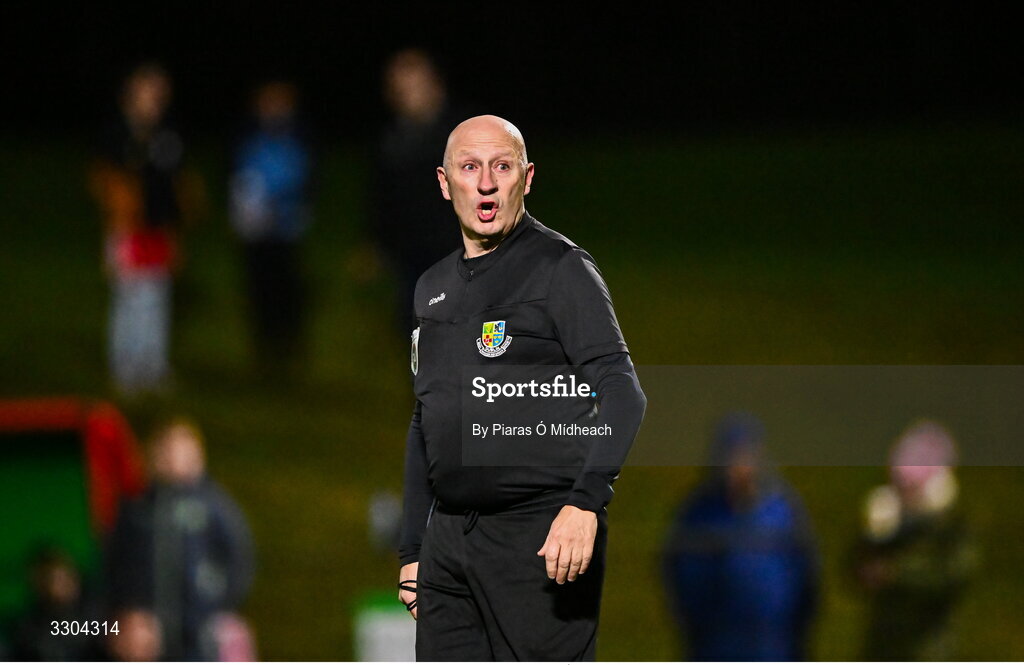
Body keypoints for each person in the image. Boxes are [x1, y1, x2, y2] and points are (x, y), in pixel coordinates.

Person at [397, 115, 647, 660]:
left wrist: (585, 504)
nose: (486, 182)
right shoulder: (431, 289)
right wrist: (413, 548)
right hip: (448, 546)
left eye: (501, 167)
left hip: (540, 538)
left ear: (526, 178)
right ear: (445, 182)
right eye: (469, 167)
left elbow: (622, 391)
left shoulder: (561, 269)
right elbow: (426, 421)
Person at [661, 413, 818, 661]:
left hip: (776, 645)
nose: (739, 467)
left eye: (746, 456)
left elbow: (807, 576)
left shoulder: (783, 509)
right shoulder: (699, 513)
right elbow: (681, 579)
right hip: (716, 645)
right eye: (731, 457)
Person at [90, 63, 201, 396]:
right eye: (147, 91)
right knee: (130, 297)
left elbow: (177, 180)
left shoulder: (168, 133)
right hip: (128, 228)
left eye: (159, 93)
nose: (154, 99)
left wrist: (182, 217)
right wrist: (116, 219)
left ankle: (152, 366)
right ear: (131, 94)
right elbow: (101, 179)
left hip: (160, 228)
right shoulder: (116, 133)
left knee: (158, 298)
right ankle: (125, 366)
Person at [106, 417, 255, 661]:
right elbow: (115, 564)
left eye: (181, 449)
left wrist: (213, 608)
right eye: (165, 449)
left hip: (198, 637)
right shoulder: (136, 509)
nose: (172, 457)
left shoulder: (214, 506)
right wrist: (127, 614)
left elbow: (240, 559)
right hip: (145, 639)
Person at [850, 419, 977, 660]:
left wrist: (896, 573)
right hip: (880, 647)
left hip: (926, 650)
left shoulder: (950, 525)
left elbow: (953, 575)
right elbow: (854, 571)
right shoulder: (888, 514)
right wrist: (871, 540)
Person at [371, 49, 463, 329]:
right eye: (399, 89)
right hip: (410, 254)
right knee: (415, 329)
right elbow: (382, 195)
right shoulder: (392, 139)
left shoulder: (463, 133)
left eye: (414, 87)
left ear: (435, 85)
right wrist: (375, 242)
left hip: (457, 251)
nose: (407, 96)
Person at [230, 80, 312, 375]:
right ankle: (262, 350)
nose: (274, 109)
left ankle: (288, 349)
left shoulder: (298, 138)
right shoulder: (247, 138)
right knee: (258, 290)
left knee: (287, 291)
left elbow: (307, 179)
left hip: (287, 230)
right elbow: (236, 178)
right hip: (255, 231)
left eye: (281, 102)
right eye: (268, 102)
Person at [9, 547, 105, 661]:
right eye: (55, 579)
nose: (64, 583)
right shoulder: (32, 628)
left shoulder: (101, 606)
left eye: (65, 575)